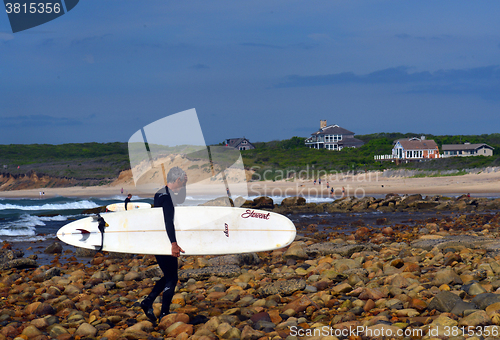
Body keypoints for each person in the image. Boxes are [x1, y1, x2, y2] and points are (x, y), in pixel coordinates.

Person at [141, 166, 187, 323]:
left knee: (168, 276)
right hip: (166, 242)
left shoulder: (160, 193)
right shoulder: (167, 198)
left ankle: (148, 302)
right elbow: (168, 221)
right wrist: (174, 243)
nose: (185, 183)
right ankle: (164, 313)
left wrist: (184, 186)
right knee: (172, 278)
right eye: (183, 180)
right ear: (178, 179)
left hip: (157, 240)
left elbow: (180, 199)